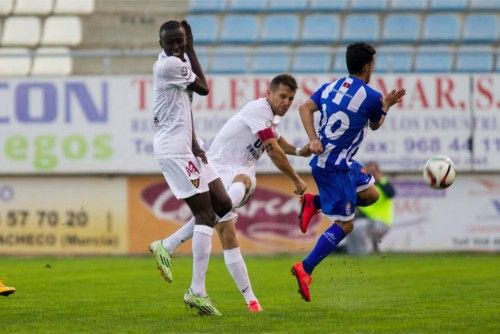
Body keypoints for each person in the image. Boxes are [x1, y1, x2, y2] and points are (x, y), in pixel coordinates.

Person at [151, 74, 310, 313]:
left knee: (228, 237)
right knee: (244, 181)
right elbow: (272, 148)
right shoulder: (259, 109)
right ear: (269, 94)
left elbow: (278, 140)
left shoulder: (268, 117)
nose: (287, 102)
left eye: (291, 98)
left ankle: (248, 301)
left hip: (225, 170)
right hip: (223, 169)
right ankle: (170, 246)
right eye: (282, 96)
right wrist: (296, 179)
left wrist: (299, 150)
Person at [291, 42, 406, 302]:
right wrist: (385, 105)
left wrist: (313, 139)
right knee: (346, 224)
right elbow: (375, 125)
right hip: (335, 168)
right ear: (367, 66)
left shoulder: (331, 86)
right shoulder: (373, 96)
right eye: (373, 65)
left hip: (341, 161)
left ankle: (314, 202)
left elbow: (304, 107)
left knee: (372, 195)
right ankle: (305, 268)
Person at [148, 19, 232, 316]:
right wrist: (192, 50)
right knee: (205, 215)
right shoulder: (171, 65)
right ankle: (197, 291)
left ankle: (166, 246)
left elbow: (183, 108)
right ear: (161, 45)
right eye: (170, 42)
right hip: (173, 150)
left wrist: (196, 143)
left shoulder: (176, 63)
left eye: (180, 41)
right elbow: (204, 88)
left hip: (189, 148)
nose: (175, 46)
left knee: (223, 203)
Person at [347, 161, 396, 254]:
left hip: (382, 223)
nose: (371, 174)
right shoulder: (363, 186)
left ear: (378, 172)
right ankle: (353, 254)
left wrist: (379, 179)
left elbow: (391, 193)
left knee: (358, 226)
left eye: (373, 171)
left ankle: (363, 254)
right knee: (349, 226)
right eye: (368, 171)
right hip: (369, 221)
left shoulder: (383, 182)